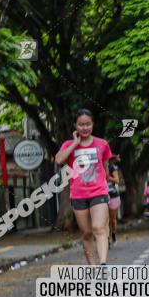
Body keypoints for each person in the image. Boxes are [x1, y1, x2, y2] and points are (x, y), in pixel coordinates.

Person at [54, 109, 112, 265]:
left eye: (88, 124)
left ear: (93, 124)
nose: (85, 128)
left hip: (99, 192)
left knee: (98, 228)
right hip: (78, 195)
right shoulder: (68, 145)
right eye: (81, 124)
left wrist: (106, 187)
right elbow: (59, 160)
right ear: (75, 126)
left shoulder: (102, 144)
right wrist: (75, 143)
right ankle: (92, 267)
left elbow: (105, 169)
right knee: (86, 233)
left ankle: (103, 264)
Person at [107, 154, 122, 244]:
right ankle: (106, 238)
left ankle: (113, 234)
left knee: (112, 219)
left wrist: (108, 178)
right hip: (102, 197)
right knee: (105, 220)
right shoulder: (98, 167)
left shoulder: (112, 167)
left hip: (113, 196)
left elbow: (117, 180)